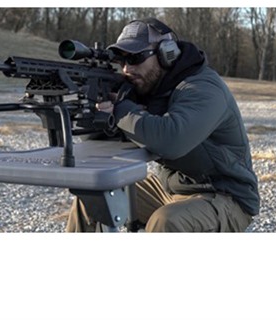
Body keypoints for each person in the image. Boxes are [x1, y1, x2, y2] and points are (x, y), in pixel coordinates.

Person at [66, 18, 260, 232]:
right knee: (92, 200)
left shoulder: (203, 88)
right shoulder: (149, 87)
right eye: (122, 60)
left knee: (166, 220)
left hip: (225, 196)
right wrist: (94, 110)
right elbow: (101, 141)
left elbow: (171, 141)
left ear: (167, 54)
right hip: (170, 189)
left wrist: (121, 109)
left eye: (136, 58)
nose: (127, 68)